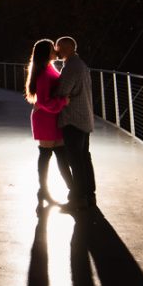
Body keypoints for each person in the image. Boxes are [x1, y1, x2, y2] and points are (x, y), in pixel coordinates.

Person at [24, 38, 74, 211]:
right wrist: (63, 102)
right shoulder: (44, 73)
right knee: (46, 155)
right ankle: (44, 190)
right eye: (53, 49)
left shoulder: (49, 68)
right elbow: (44, 101)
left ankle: (72, 189)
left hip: (53, 118)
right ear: (47, 53)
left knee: (61, 154)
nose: (56, 51)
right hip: (45, 119)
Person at [53, 36, 96, 211]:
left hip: (73, 120)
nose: (57, 51)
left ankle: (79, 198)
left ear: (68, 48)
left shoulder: (71, 67)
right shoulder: (82, 65)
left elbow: (63, 91)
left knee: (75, 160)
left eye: (60, 48)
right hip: (84, 118)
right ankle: (89, 195)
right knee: (84, 157)